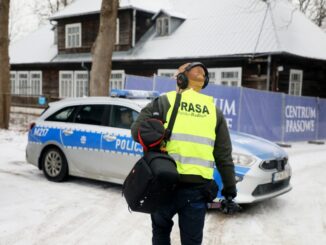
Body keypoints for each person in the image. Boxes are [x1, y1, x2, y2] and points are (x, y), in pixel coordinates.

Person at [131, 62, 237, 245]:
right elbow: (224, 157)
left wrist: (159, 131)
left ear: (180, 79)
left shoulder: (164, 102)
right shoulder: (214, 111)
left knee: (161, 233)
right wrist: (230, 191)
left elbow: (136, 132)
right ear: (203, 83)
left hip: (163, 184)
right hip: (196, 191)